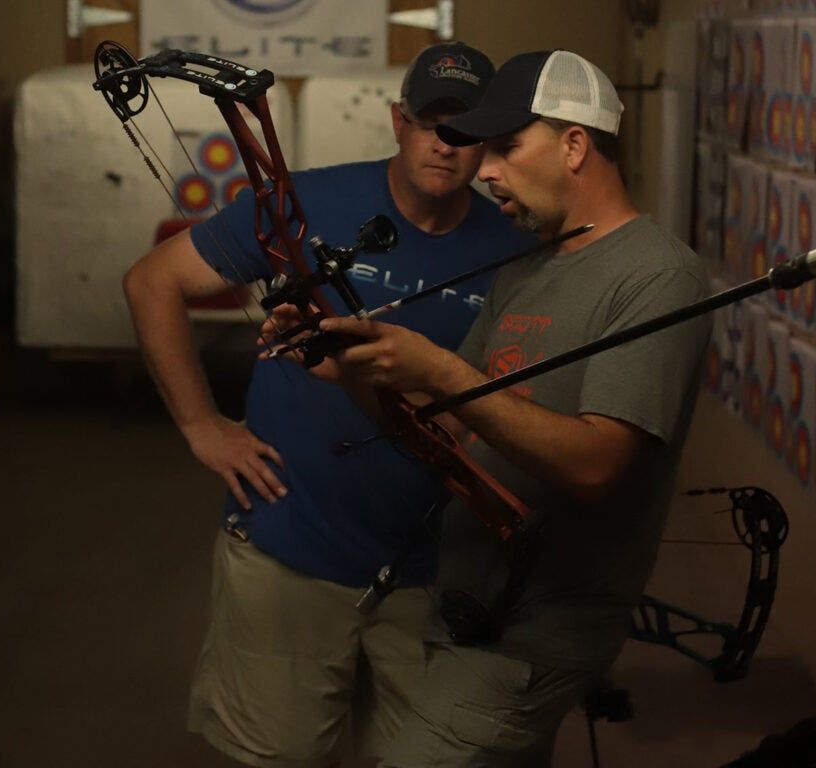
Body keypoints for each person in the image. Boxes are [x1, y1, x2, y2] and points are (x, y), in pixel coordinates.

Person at [122, 42, 534, 767]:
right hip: (291, 549)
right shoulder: (308, 203)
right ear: (399, 122)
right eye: (430, 123)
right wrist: (201, 425)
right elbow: (153, 281)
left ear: (488, 143)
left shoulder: (516, 247)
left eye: (465, 130)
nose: (445, 144)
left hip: (433, 570)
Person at [301, 50, 713, 765]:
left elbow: (597, 465)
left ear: (574, 145)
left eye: (506, 148)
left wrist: (441, 369)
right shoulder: (528, 265)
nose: (484, 171)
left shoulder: (657, 276)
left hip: (535, 633)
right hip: (470, 605)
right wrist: (355, 369)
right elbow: (449, 427)